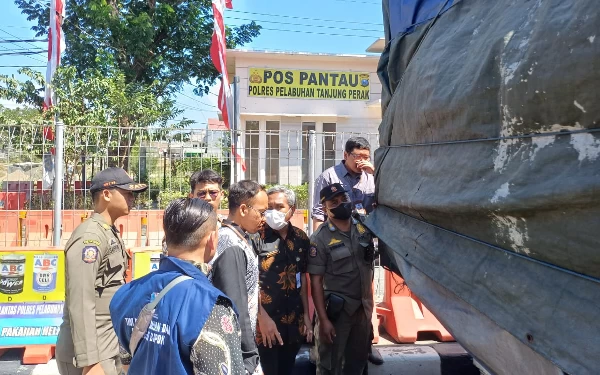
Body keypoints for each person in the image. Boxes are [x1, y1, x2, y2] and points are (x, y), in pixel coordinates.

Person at [110, 198, 245, 375]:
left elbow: (127, 361)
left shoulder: (127, 293)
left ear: (167, 238)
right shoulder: (211, 307)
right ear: (212, 239)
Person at [55, 167, 148, 375]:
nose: (132, 199)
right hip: (89, 354)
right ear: (106, 194)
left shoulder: (108, 231)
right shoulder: (90, 238)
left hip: (106, 345)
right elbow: (80, 301)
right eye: (127, 193)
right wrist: (90, 362)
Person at [311, 137, 383, 366]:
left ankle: (367, 345)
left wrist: (376, 173)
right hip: (333, 242)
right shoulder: (330, 176)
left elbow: (381, 205)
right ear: (346, 155)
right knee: (333, 302)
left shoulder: (371, 177)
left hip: (361, 239)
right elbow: (318, 210)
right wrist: (321, 239)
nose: (362, 161)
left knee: (364, 300)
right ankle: (322, 343)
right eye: (358, 156)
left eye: (365, 156)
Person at [308, 183, 376, 375]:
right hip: (338, 315)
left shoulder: (363, 227)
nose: (341, 204)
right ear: (324, 208)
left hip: (363, 310)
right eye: (334, 202)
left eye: (343, 199)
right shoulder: (319, 239)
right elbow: (316, 282)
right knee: (331, 366)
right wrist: (323, 320)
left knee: (358, 363)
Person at [208, 180, 268, 375]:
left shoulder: (240, 237)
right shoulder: (231, 242)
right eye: (261, 212)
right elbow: (235, 304)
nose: (264, 219)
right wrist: (248, 355)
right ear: (243, 209)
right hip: (234, 348)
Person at [255, 186, 313, 375]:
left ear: (292, 210)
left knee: (287, 368)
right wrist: (260, 317)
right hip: (265, 323)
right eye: (269, 207)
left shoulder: (301, 239)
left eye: (279, 207)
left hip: (293, 323)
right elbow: (249, 281)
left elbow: (302, 278)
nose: (273, 211)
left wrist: (306, 316)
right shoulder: (257, 237)